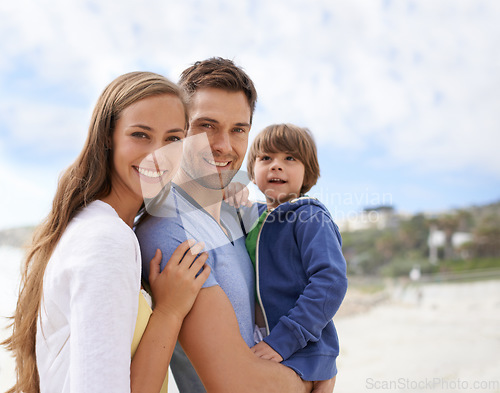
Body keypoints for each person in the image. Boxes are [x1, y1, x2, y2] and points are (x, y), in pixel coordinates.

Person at [2, 71, 210, 393]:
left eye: (173, 139)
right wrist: (169, 311)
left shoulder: (94, 226)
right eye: (141, 134)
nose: (159, 153)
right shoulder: (107, 239)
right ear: (107, 138)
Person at [136, 58, 312, 393]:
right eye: (206, 126)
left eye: (238, 130)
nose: (223, 145)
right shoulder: (168, 231)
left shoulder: (236, 215)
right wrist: (311, 377)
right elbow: (237, 383)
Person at [245, 124, 348, 393]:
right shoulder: (251, 218)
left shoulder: (309, 216)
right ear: (252, 173)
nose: (276, 166)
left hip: (302, 350)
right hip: (262, 339)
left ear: (307, 173)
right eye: (266, 158)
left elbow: (331, 281)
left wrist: (284, 340)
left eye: (289, 158)